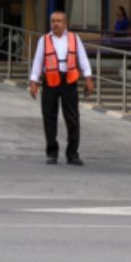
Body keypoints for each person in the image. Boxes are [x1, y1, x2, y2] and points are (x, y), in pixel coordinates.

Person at [28, 11, 94, 166]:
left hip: (69, 81)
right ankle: (52, 152)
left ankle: (73, 154)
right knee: (49, 118)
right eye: (53, 21)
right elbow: (37, 62)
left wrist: (88, 78)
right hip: (50, 81)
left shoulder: (74, 38)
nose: (55, 24)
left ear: (65, 24)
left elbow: (83, 59)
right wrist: (33, 82)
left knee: (72, 118)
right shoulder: (44, 40)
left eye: (58, 21)